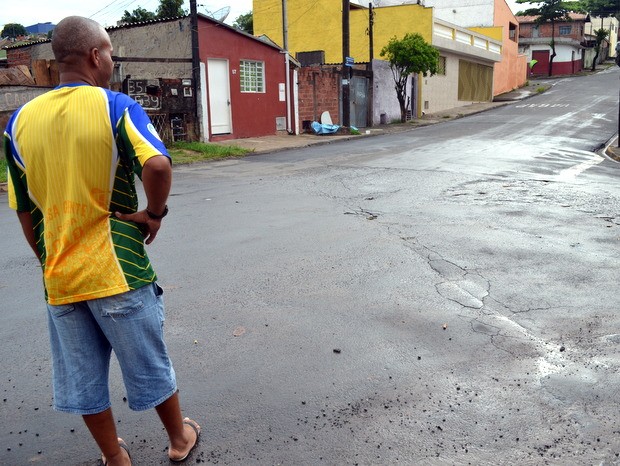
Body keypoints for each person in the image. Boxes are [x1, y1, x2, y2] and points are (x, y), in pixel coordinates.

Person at [3, 16, 200, 465]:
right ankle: (178, 440)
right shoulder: (117, 106)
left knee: (84, 380)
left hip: (62, 278)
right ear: (95, 56)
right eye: (109, 51)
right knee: (150, 365)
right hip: (117, 270)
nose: (111, 59)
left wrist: (47, 258)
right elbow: (158, 166)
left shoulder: (18, 122)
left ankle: (115, 457)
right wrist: (153, 214)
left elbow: (22, 209)